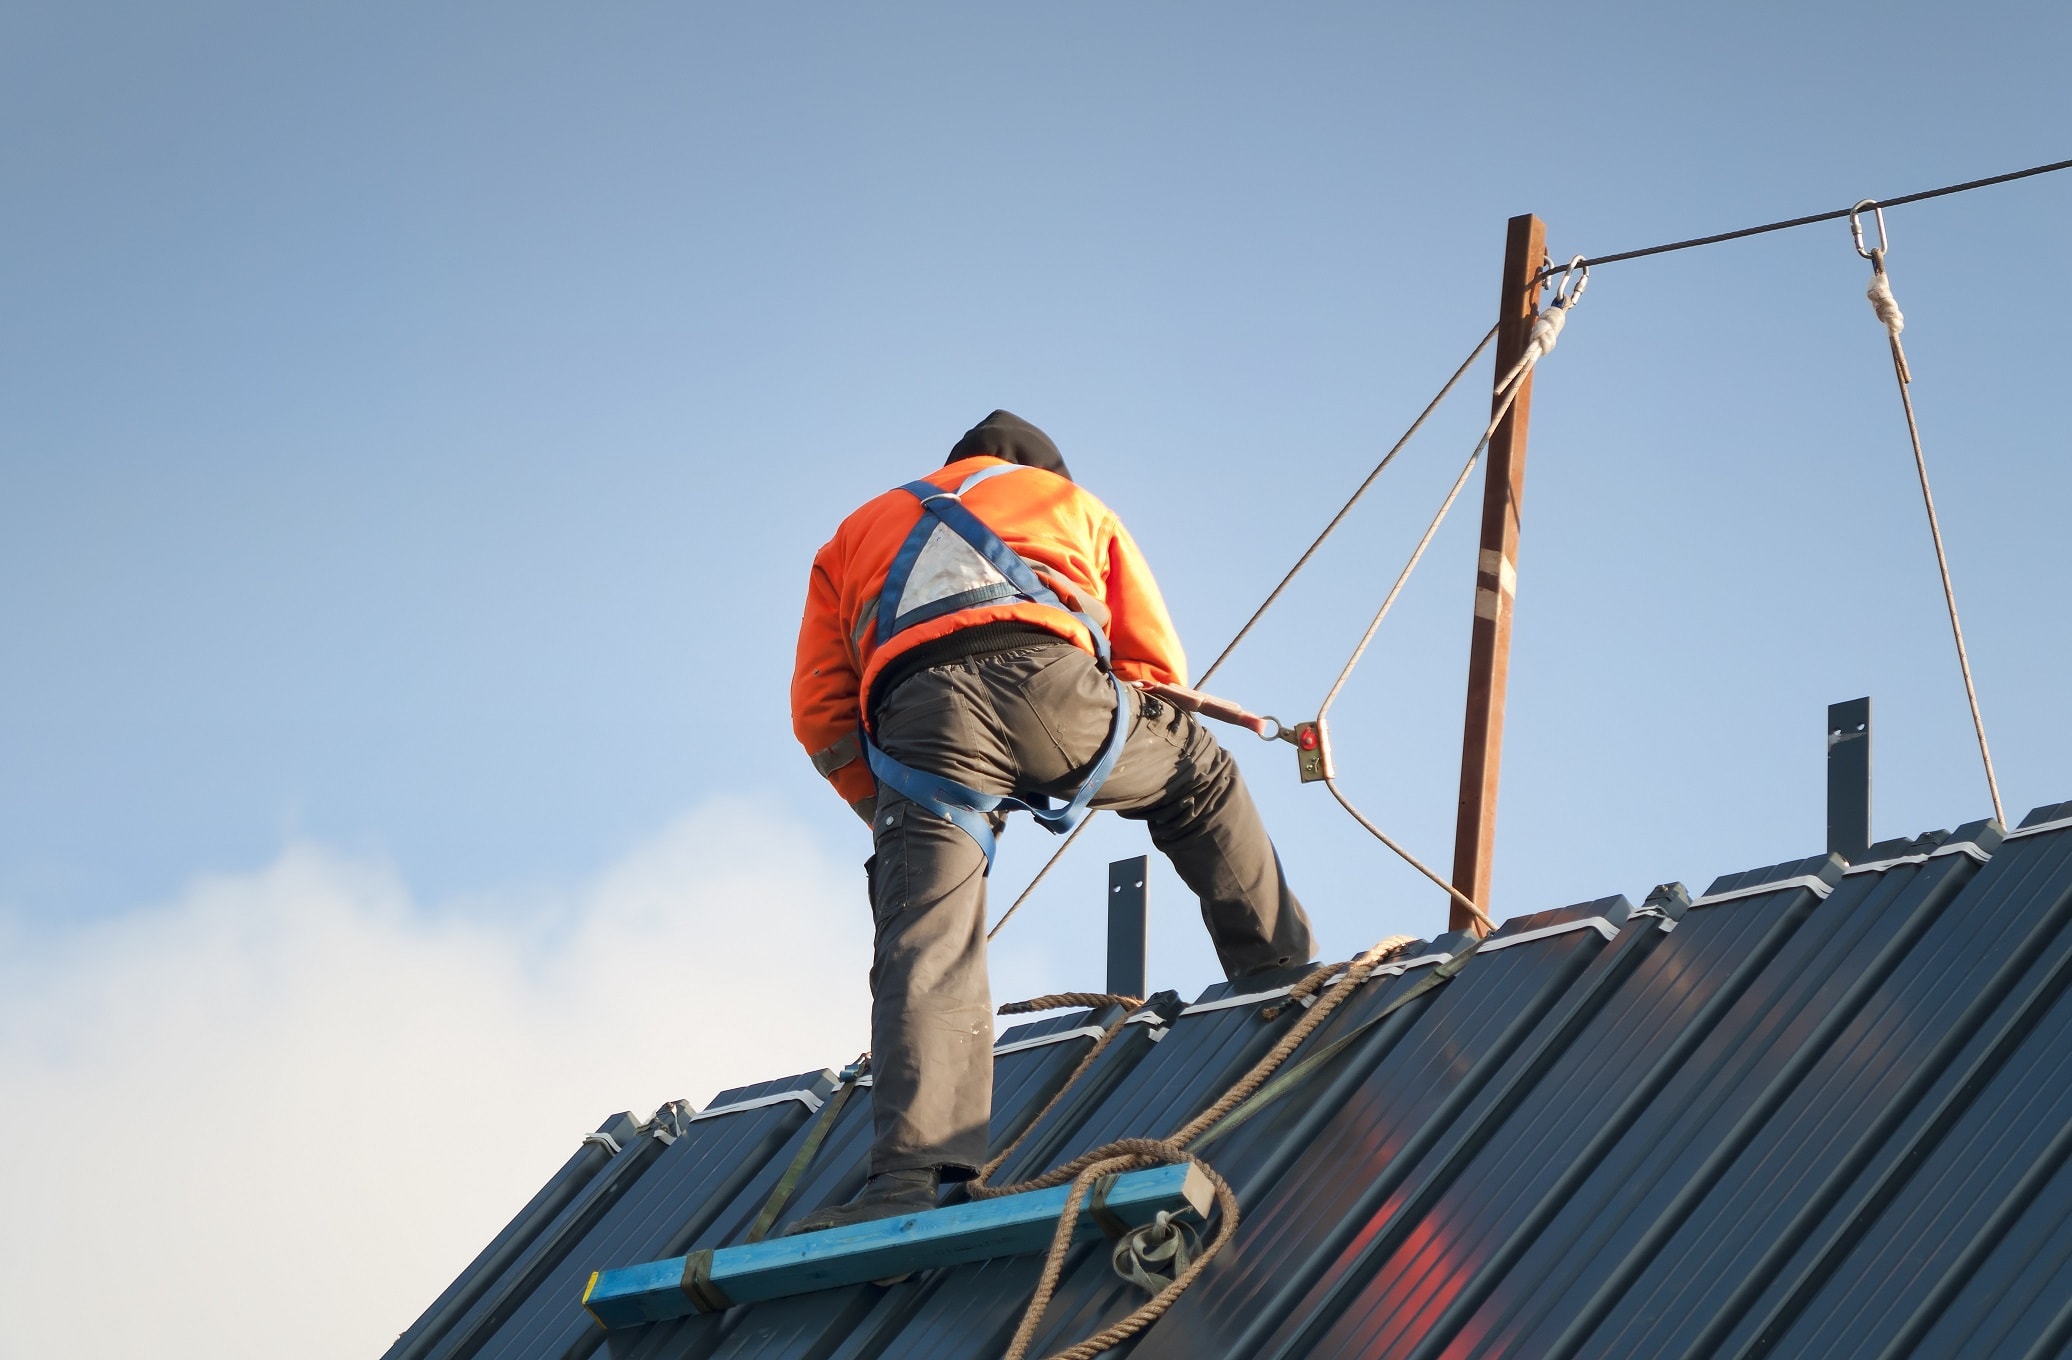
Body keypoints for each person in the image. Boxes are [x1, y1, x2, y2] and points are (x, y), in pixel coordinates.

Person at [785, 409, 1314, 1234]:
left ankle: (913, 1179)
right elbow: (1153, 674)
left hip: (922, 723)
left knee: (926, 936)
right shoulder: (1073, 505)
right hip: (1054, 682)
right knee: (1198, 775)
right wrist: (1101, 747)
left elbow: (820, 710)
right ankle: (1278, 979)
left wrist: (891, 813)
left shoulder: (855, 531)